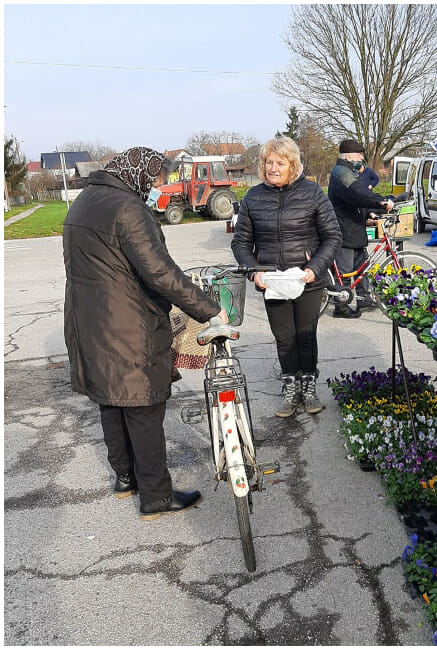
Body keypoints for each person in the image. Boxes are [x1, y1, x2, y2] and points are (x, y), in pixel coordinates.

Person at [63, 146, 228, 521]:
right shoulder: (128, 209)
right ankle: (155, 496)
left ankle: (125, 478)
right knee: (142, 407)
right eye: (156, 178)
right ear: (138, 172)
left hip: (89, 321)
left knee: (111, 400)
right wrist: (208, 310)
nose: (157, 186)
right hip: (127, 324)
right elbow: (160, 273)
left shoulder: (84, 201)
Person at [232, 136, 342, 417]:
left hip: (306, 279)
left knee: (305, 335)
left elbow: (332, 236)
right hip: (272, 281)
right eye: (268, 162)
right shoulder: (253, 198)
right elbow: (241, 243)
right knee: (284, 337)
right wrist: (254, 270)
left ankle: (308, 385)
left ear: (292, 165)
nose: (273, 167)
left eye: (280, 162)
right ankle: (290, 386)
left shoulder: (313, 192)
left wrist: (314, 268)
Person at [327, 138, 394, 317]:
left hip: (353, 227)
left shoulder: (347, 171)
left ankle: (364, 300)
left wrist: (369, 213)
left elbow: (355, 199)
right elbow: (358, 193)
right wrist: (380, 202)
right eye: (359, 156)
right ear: (349, 157)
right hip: (344, 228)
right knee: (345, 270)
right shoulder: (342, 172)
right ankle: (341, 307)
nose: (362, 159)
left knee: (361, 265)